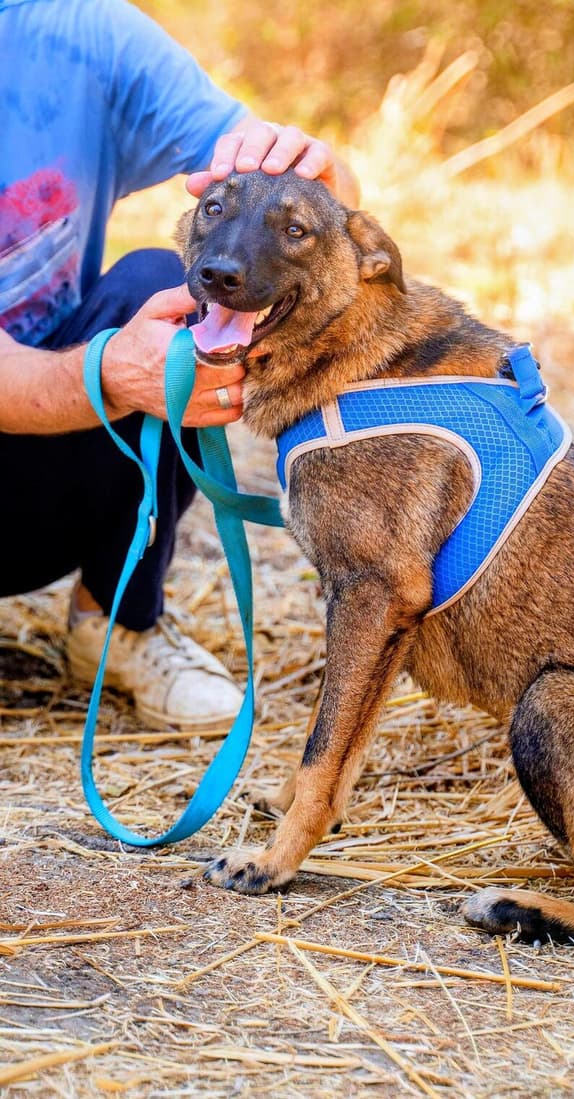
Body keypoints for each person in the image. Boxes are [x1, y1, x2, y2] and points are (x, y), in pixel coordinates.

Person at [0, 0, 359, 729]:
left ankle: (117, 623)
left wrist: (317, 176)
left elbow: (314, 190)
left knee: (159, 285)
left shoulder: (80, 31)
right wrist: (107, 374)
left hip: (33, 488)